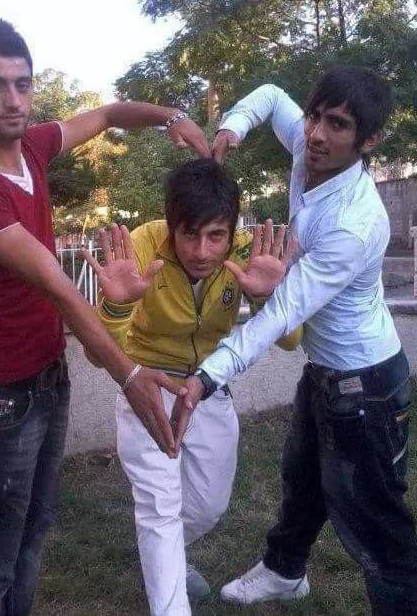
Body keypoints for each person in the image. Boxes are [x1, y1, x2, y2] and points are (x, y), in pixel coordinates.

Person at [0, 16, 211, 616]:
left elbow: (110, 115)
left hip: (45, 381)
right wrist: (132, 376)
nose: (14, 100)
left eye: (23, 84)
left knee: (32, 538)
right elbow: (62, 288)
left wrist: (173, 117)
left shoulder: (33, 148)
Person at [181, 67, 417, 614]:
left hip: (367, 387)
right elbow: (268, 94)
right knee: (302, 477)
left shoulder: (356, 223)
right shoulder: (308, 148)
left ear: (368, 141)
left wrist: (208, 376)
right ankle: (284, 572)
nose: (316, 133)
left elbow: (283, 310)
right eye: (315, 116)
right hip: (325, 372)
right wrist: (234, 126)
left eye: (337, 124)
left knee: (377, 521)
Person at [82, 158, 301, 616]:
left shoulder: (249, 251)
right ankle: (169, 594)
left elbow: (290, 341)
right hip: (147, 387)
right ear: (170, 225)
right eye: (189, 234)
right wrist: (117, 308)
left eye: (215, 236)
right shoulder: (140, 245)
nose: (202, 250)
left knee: (207, 506)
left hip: (209, 388)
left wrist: (268, 297)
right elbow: (95, 352)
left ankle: (164, 557)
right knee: (160, 509)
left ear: (231, 230)